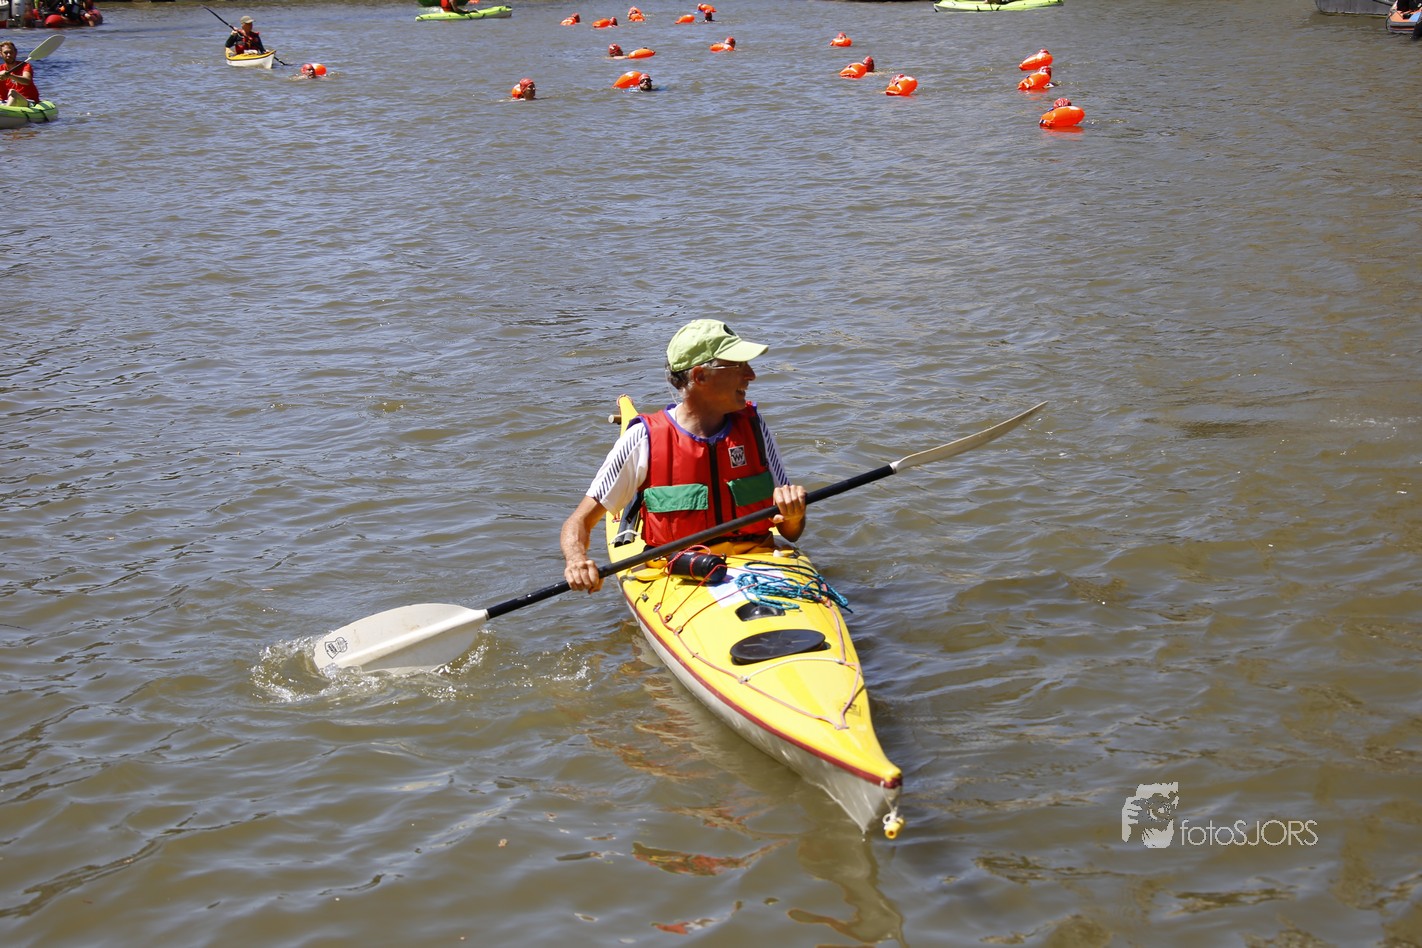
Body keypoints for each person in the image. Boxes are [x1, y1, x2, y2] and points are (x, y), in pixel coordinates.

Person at [561, 320, 808, 593]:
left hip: (760, 560)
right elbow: (579, 522)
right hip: (679, 570)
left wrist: (794, 514)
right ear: (700, 376)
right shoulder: (643, 438)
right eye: (738, 366)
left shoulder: (754, 426)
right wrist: (577, 561)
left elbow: (791, 532)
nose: (751, 375)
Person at [0, 40, 41, 107]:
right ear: (1, 54)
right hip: (5, 101)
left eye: (11, 52)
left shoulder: (25, 66)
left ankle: (6, 110)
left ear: (15, 53)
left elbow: (27, 81)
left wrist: (10, 75)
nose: (9, 55)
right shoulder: (0, 69)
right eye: (6, 53)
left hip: (27, 101)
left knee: (12, 92)